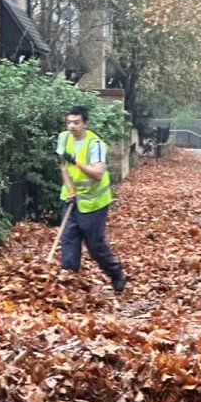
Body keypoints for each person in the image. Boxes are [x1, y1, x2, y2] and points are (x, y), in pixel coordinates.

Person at [57, 105, 126, 294]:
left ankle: (116, 273)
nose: (71, 126)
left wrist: (76, 162)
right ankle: (68, 286)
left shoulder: (95, 144)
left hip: (94, 202)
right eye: (69, 122)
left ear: (85, 124)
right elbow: (63, 168)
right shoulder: (63, 138)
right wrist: (70, 191)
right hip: (72, 199)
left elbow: (97, 174)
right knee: (68, 239)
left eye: (76, 122)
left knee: (95, 245)